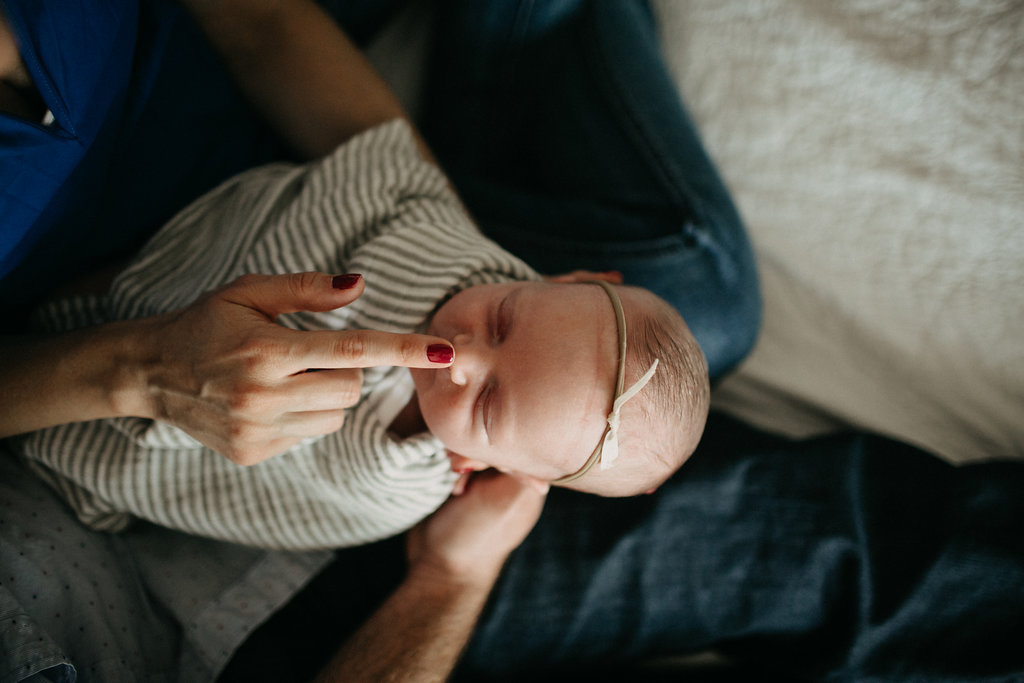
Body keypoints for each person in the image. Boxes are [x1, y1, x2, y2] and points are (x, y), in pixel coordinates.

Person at [14, 117, 709, 550]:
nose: (463, 357)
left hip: (83, 371)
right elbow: (375, 192)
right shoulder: (453, 251)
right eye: (502, 320)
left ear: (511, 472)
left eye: (490, 405)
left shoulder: (386, 482)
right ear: (562, 278)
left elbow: (260, 500)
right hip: (163, 221)